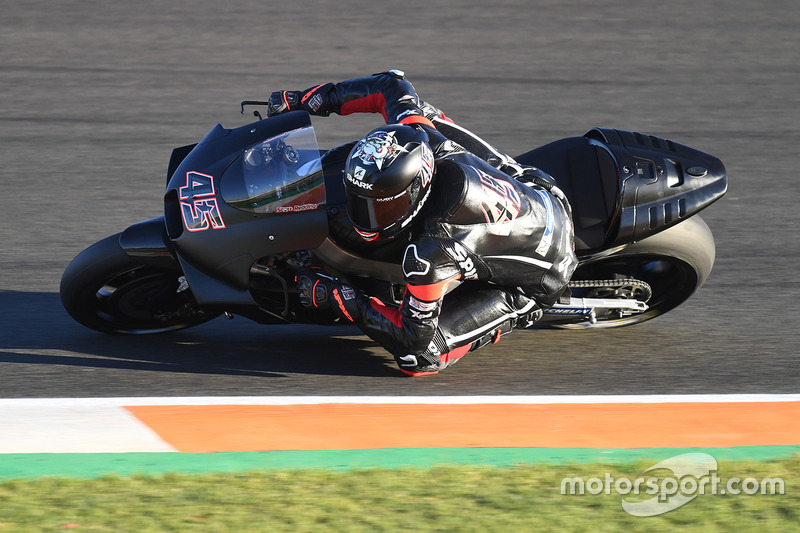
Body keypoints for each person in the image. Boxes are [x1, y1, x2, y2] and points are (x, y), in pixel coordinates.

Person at [267, 70, 578, 376]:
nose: (363, 215)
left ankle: (517, 312)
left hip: (546, 269)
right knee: (422, 114)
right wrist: (305, 101)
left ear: (416, 190)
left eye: (379, 207)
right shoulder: (420, 137)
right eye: (358, 201)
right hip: (531, 184)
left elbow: (412, 337)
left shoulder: (432, 249)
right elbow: (390, 84)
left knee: (420, 359)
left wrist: (340, 297)